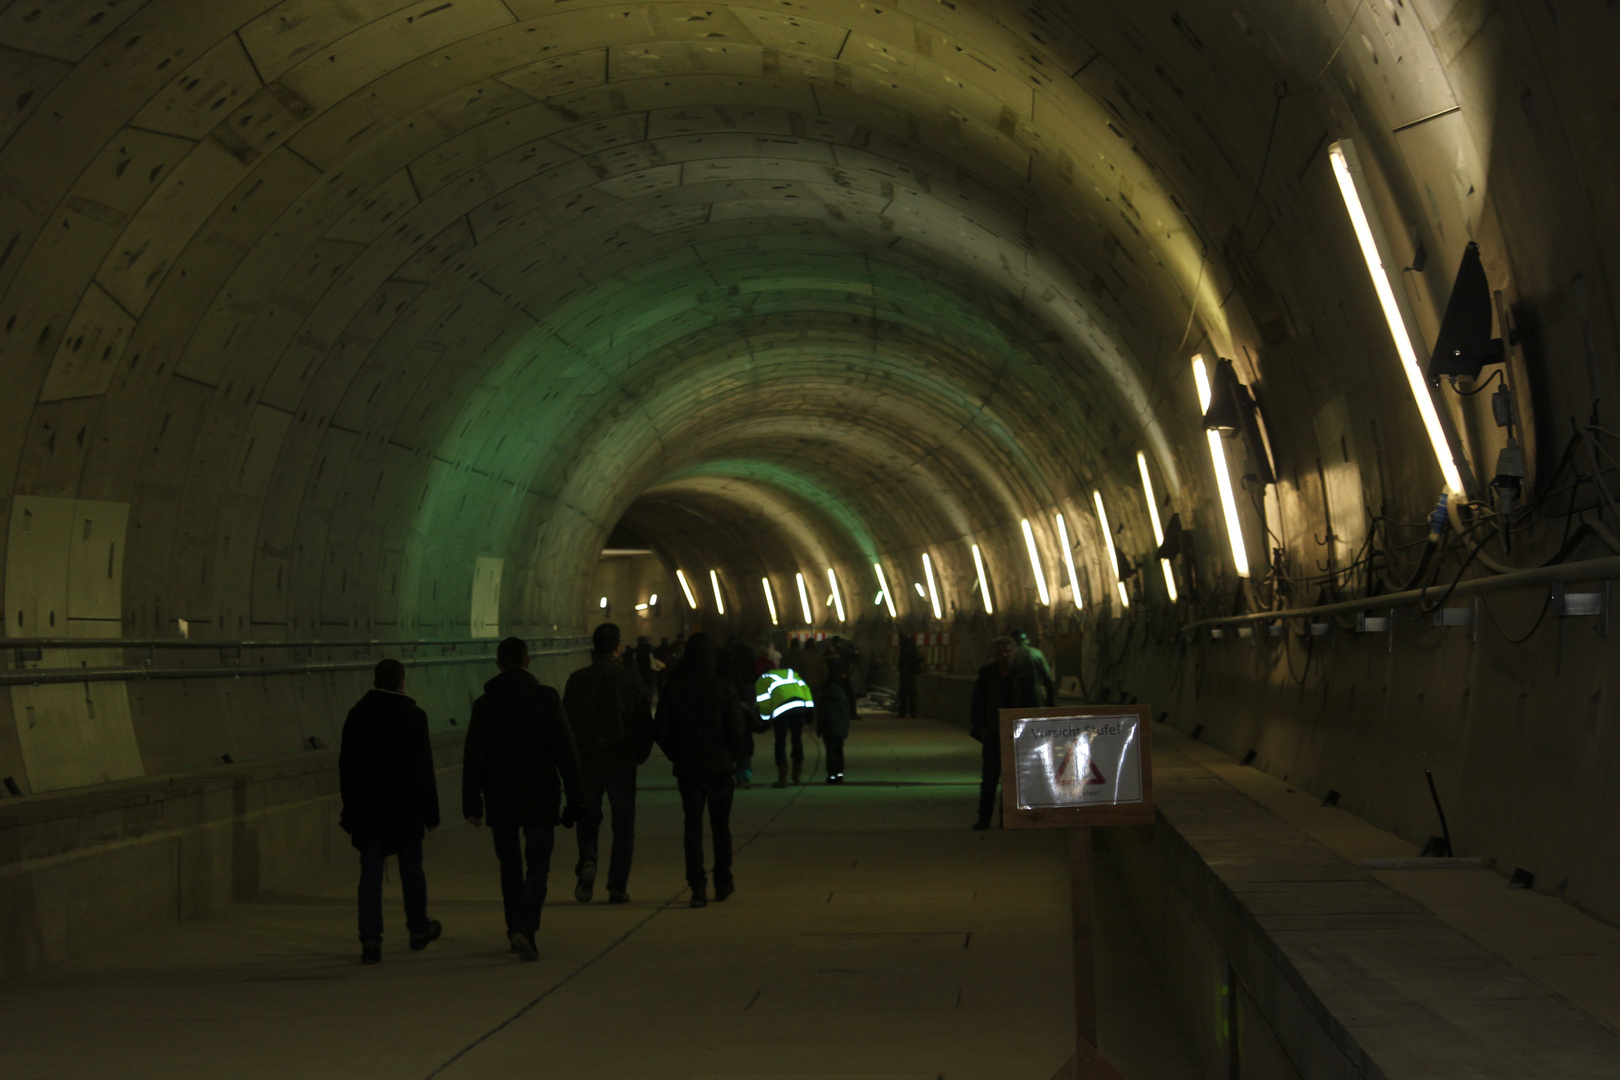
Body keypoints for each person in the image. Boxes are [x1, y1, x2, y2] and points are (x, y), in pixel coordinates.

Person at [462, 637, 585, 961]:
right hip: (539, 796)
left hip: (500, 797)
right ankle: (524, 926)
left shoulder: (485, 705)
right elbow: (566, 752)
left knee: (510, 867)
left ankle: (514, 927)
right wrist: (576, 799)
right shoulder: (546, 699)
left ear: (498, 663)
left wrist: (472, 803)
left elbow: (474, 757)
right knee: (538, 866)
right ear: (528, 661)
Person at [339, 658, 442, 964]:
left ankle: (370, 939)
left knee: (370, 873)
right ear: (402, 682)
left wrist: (351, 809)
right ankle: (418, 927)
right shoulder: (414, 716)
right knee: (411, 869)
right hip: (404, 808)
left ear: (374, 682)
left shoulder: (357, 715)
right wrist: (431, 813)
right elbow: (423, 769)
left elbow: (347, 767)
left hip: (369, 810)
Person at [562, 623, 653, 905]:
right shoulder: (631, 679)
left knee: (587, 816)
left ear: (593, 648)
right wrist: (640, 753)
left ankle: (588, 860)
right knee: (623, 823)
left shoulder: (577, 680)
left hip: (587, 760)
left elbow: (565, 725)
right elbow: (643, 722)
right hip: (621, 759)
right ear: (617, 647)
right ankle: (617, 885)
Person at [654, 633, 746, 908]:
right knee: (721, 827)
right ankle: (722, 881)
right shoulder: (725, 688)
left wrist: (676, 755)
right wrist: (732, 756)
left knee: (692, 825)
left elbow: (660, 730)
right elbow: (736, 731)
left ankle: (697, 885)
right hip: (719, 769)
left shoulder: (674, 688)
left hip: (689, 768)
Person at [969, 635, 1038, 830]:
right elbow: (978, 702)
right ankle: (984, 818)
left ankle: (1006, 818)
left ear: (1014, 652)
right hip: (992, 733)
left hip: (1017, 736)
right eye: (1000, 652)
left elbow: (1032, 703)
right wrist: (981, 728)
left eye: (1007, 651)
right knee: (989, 778)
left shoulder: (1024, 674)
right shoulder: (987, 674)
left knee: (1012, 780)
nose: (1004, 655)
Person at [755, 662, 813, 787]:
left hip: (781, 711)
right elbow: (805, 689)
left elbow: (764, 701)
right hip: (799, 706)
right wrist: (809, 709)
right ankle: (797, 775)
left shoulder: (763, 679)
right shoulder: (790, 673)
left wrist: (765, 720)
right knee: (797, 739)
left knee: (780, 743)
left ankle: (782, 778)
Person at [817, 658, 854, 784]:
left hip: (828, 727)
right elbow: (846, 713)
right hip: (839, 728)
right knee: (839, 751)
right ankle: (840, 773)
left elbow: (822, 714)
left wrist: (819, 728)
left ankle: (831, 774)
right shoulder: (842, 695)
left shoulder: (825, 696)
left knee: (830, 751)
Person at [1010, 627, 1057, 706]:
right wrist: (1050, 699)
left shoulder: (1009, 655)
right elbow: (1048, 678)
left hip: (1015, 700)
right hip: (1036, 698)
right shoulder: (1036, 653)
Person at [897, 634, 922, 718]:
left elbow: (904, 661)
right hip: (910, 673)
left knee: (904, 693)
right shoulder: (912, 648)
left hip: (906, 673)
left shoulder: (905, 648)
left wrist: (903, 669)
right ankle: (912, 712)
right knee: (911, 694)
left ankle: (903, 712)